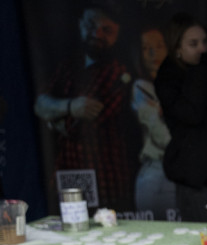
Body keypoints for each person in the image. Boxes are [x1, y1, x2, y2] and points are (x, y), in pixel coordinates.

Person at [33, 2, 137, 212]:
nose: (97, 34)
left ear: (117, 34)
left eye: (106, 30)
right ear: (79, 24)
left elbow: (77, 126)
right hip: (68, 175)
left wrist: (54, 117)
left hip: (107, 181)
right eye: (91, 25)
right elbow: (39, 105)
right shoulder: (67, 66)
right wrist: (71, 106)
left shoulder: (118, 73)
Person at [155, 13, 207, 222]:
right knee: (201, 237)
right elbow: (191, 114)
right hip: (195, 177)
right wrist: (200, 72)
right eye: (193, 44)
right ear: (177, 49)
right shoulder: (168, 78)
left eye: (204, 42)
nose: (202, 49)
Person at [131, 26, 176, 221]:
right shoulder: (141, 87)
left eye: (159, 46)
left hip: (177, 171)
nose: (152, 53)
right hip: (155, 169)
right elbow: (160, 134)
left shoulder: (178, 86)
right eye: (145, 48)